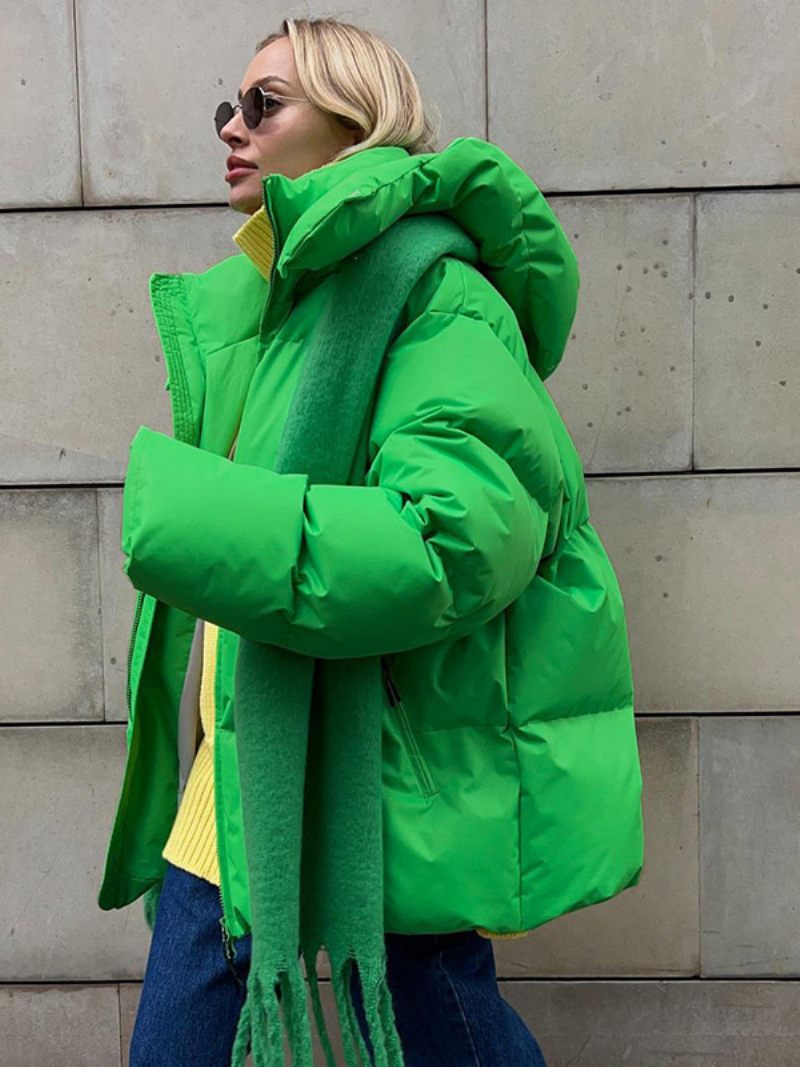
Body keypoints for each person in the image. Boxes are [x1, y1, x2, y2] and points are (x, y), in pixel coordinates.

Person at [99, 15, 644, 1067]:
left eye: (265, 104)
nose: (232, 126)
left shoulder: (438, 297)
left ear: (357, 124)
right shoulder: (280, 305)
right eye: (228, 104)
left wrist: (194, 522)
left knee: (443, 1027)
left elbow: (452, 543)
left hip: (373, 766)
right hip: (248, 760)